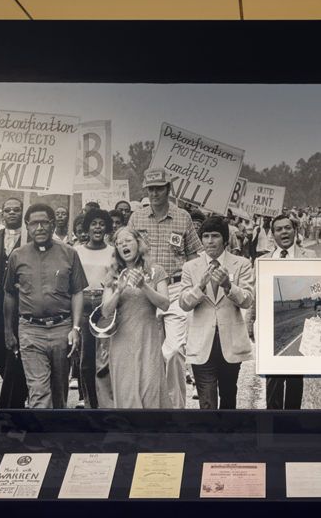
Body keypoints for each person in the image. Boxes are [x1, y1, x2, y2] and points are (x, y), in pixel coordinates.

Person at [126, 168, 202, 409]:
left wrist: (193, 288)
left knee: (175, 351)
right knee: (147, 351)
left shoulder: (183, 217)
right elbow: (126, 252)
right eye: (151, 189)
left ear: (169, 189)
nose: (155, 193)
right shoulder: (136, 218)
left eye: (159, 188)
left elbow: (193, 256)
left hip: (175, 287)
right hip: (144, 288)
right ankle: (150, 408)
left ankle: (176, 410)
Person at [3, 203, 87, 409]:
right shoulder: (17, 256)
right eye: (34, 223)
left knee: (59, 393)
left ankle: (56, 427)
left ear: (52, 224)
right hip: (30, 330)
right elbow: (10, 294)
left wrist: (75, 328)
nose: (39, 228)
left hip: (62, 329)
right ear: (27, 226)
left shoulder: (69, 253)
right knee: (38, 392)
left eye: (44, 223)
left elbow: (77, 292)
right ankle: (41, 428)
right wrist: (8, 331)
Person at [179, 217, 254, 409]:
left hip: (231, 341)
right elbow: (184, 304)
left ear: (225, 240)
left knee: (229, 397)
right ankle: (210, 430)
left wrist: (229, 286)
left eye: (215, 236)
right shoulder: (190, 267)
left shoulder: (242, 264)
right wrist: (200, 287)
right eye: (205, 236)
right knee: (206, 402)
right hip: (202, 342)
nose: (210, 241)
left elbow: (247, 300)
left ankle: (227, 429)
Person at [96, 227, 170, 408]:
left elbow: (165, 304)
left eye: (128, 241)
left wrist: (144, 286)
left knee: (150, 389)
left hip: (148, 339)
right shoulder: (112, 275)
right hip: (121, 341)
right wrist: (118, 290)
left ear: (138, 243)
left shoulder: (156, 271)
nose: (123, 246)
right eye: (119, 243)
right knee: (126, 392)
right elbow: (105, 312)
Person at [264, 214, 316, 409]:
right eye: (279, 229)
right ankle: (273, 420)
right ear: (272, 235)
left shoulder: (310, 256)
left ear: (295, 231)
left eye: (287, 228)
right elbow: (256, 293)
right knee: (273, 377)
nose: (284, 232)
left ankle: (292, 419)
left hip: (299, 322)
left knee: (295, 376)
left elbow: (316, 284)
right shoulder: (263, 260)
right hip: (270, 324)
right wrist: (251, 322)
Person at [0, 198, 27, 409]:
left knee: (21, 353)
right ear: (2, 215)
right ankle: (18, 394)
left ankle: (14, 402)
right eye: (8, 210)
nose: (12, 213)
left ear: (22, 213)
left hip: (24, 303)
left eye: (16, 210)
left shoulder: (30, 237)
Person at [73, 207, 115, 409]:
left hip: (105, 304)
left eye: (101, 224)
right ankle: (90, 403)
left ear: (106, 228)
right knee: (86, 357)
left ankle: (106, 403)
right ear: (86, 228)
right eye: (93, 224)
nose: (97, 227)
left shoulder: (113, 251)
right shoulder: (76, 251)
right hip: (83, 304)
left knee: (105, 356)